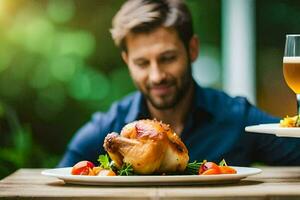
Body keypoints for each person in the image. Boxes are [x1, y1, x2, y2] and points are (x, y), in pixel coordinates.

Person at [58, 0, 300, 167]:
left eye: (168, 58)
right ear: (127, 61)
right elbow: (59, 182)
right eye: (142, 63)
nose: (156, 76)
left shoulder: (236, 117)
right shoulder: (108, 128)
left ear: (192, 49)